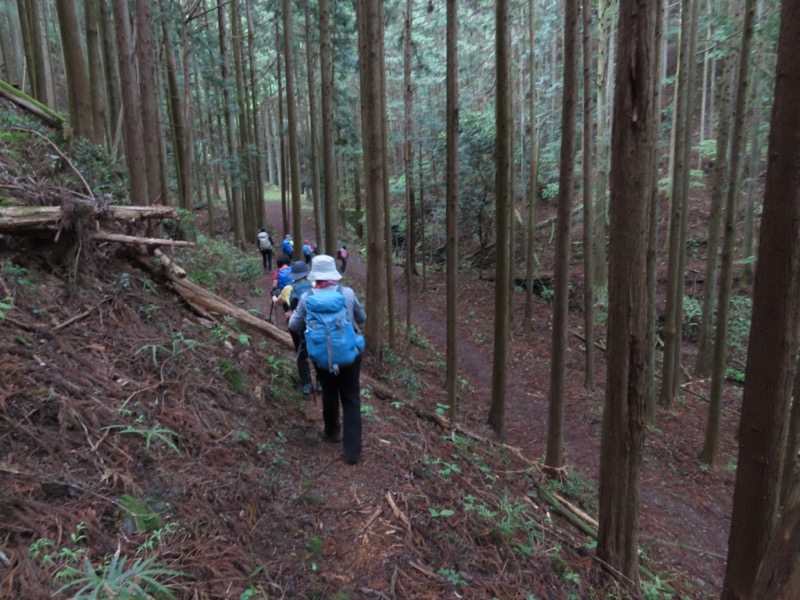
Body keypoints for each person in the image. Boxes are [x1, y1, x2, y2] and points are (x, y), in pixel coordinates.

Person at [289, 255, 366, 464]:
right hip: (350, 355)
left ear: (314, 274)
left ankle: (332, 432)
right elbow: (362, 317)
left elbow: (294, 326)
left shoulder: (307, 296)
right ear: (334, 273)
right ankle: (352, 452)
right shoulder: (347, 293)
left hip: (322, 357)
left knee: (329, 391)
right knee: (351, 397)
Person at [274, 261, 320, 395]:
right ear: (306, 274)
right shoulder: (315, 286)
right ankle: (321, 382)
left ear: (294, 275)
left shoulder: (288, 288)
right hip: (315, 325)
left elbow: (278, 302)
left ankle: (306, 384)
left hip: (296, 325)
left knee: (301, 354)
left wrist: (273, 296)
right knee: (316, 352)